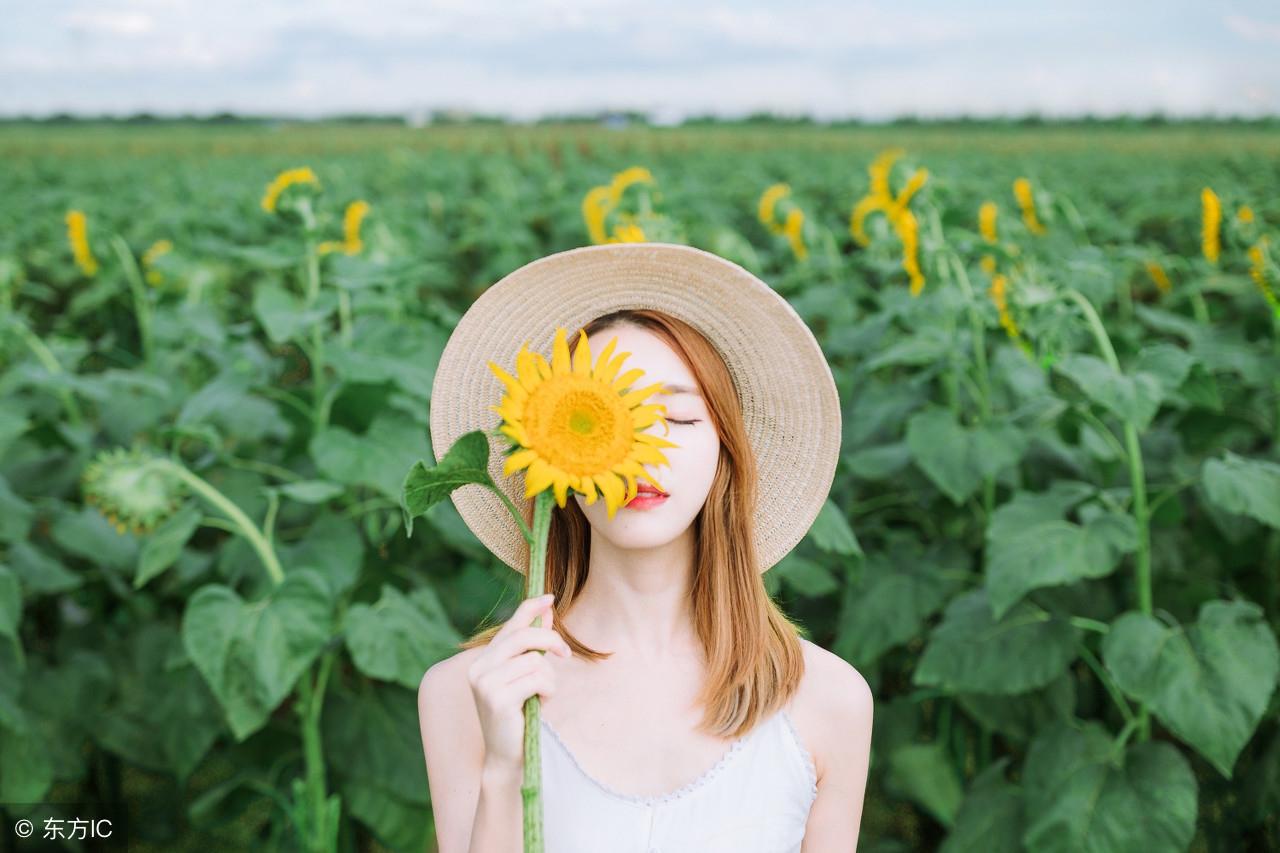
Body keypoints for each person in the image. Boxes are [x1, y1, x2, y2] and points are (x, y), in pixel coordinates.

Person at [418, 243, 872, 853]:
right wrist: (504, 772)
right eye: (603, 418)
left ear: (726, 454)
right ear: (546, 451)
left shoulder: (824, 700)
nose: (642, 453)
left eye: (678, 418)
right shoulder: (469, 695)